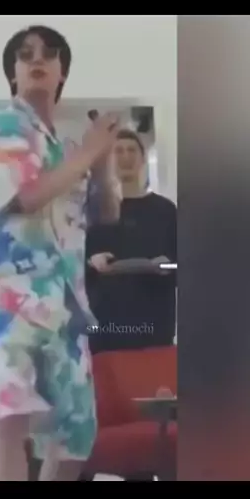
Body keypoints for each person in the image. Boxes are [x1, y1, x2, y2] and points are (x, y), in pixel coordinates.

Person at [0, 25, 120, 481]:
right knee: (10, 411)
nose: (38, 59)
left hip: (65, 308)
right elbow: (26, 197)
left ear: (61, 73)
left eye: (49, 54)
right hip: (7, 299)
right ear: (13, 73)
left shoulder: (67, 148)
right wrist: (88, 152)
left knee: (76, 437)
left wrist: (103, 159)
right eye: (25, 53)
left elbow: (107, 213)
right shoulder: (1, 125)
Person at [87, 129, 177, 354]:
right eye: (118, 151)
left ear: (143, 158)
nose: (125, 156)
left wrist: (167, 266)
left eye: (131, 150)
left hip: (156, 330)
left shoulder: (166, 211)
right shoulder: (93, 212)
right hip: (105, 331)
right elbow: (74, 266)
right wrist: (91, 262)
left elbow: (182, 266)